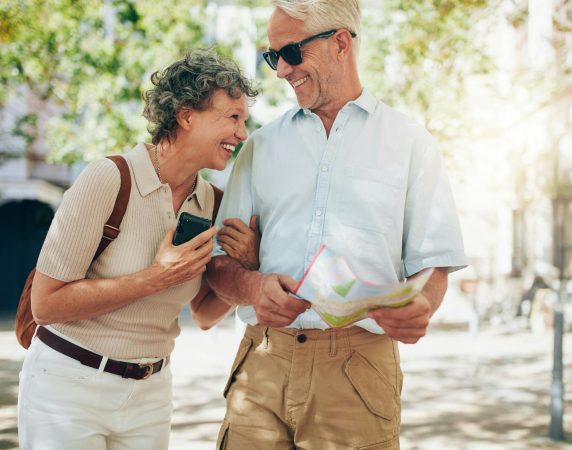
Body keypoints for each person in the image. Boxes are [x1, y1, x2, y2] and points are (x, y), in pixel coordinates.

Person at [206, 1, 468, 449]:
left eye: (289, 53)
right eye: (273, 58)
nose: (281, 71)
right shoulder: (259, 148)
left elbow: (434, 265)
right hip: (263, 364)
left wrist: (422, 305)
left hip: (358, 371)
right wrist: (251, 288)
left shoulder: (411, 145)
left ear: (341, 43)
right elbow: (217, 266)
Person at [17, 49, 260, 450]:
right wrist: (154, 278)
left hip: (150, 393)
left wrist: (248, 267)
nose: (242, 133)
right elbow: (46, 305)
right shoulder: (109, 179)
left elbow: (203, 313)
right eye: (233, 117)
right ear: (186, 115)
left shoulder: (212, 203)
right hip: (68, 388)